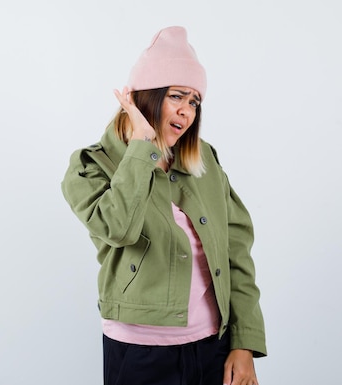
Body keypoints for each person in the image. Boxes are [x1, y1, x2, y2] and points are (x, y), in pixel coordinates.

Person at [61, 26, 267, 385]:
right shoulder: (91, 166)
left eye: (194, 102)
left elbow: (236, 251)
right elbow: (118, 228)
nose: (186, 111)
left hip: (212, 348)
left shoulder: (204, 161)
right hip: (141, 354)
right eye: (176, 96)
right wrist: (142, 146)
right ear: (145, 97)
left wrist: (244, 342)